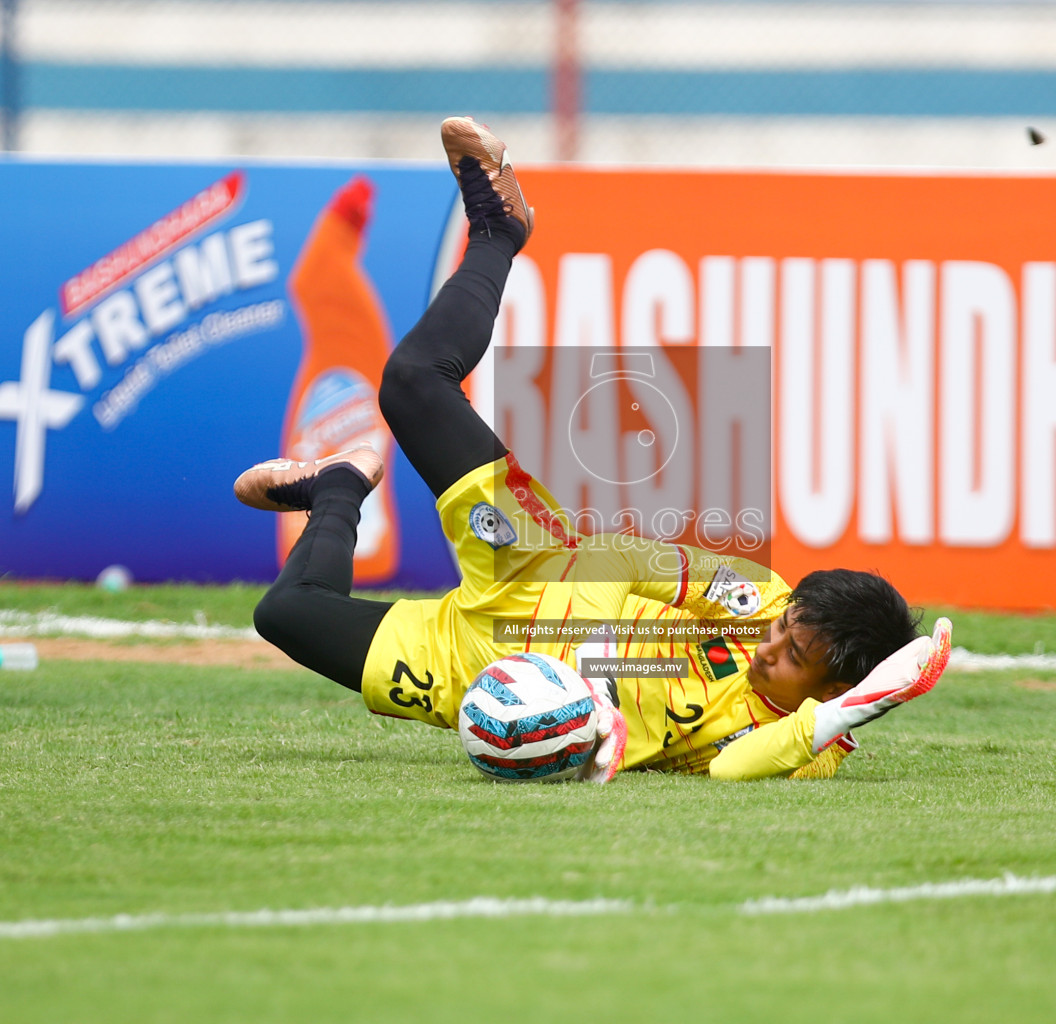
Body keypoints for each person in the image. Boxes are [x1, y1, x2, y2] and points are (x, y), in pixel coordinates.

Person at [236, 117, 953, 783]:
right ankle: (498, 230)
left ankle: (337, 487)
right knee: (411, 384)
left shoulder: (806, 748)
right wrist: (590, 673)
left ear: (833, 692)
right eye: (783, 629)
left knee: (288, 614)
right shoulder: (756, 600)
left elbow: (736, 771)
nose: (770, 644)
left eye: (794, 656)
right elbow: (621, 555)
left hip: (481, 677)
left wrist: (858, 709)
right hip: (534, 570)